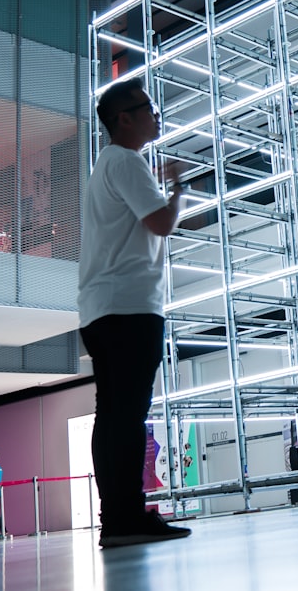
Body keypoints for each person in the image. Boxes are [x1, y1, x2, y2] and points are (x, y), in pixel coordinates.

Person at [78, 77, 191, 548]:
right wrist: (179, 189)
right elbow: (161, 222)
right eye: (147, 107)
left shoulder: (109, 164)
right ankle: (122, 519)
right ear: (123, 118)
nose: (155, 114)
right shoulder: (126, 160)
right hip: (127, 307)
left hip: (104, 308)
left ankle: (123, 516)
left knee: (117, 415)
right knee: (124, 416)